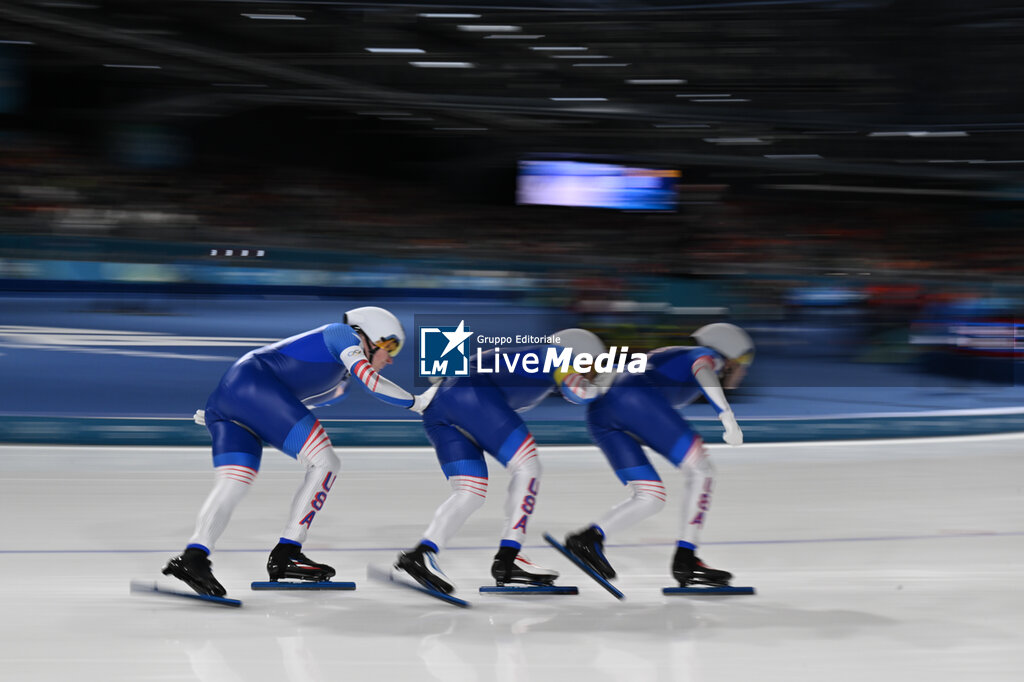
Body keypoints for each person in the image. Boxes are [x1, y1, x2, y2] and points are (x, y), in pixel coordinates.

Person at [163, 306, 434, 597]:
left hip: (232, 397)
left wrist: (230, 408)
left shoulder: (339, 382)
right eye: (390, 345)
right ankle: (287, 552)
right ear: (370, 335)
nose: (391, 357)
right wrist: (418, 402)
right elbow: (372, 382)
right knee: (325, 462)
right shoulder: (343, 334)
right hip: (252, 389)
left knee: (234, 481)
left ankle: (193, 558)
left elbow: (296, 404)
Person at [394, 328, 610, 594]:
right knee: (528, 466)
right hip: (472, 396)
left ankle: (422, 554)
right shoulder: (556, 355)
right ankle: (509, 557)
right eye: (593, 368)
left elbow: (448, 372)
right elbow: (578, 392)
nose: (592, 376)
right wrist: (606, 389)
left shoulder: (530, 357)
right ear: (578, 353)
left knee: (469, 493)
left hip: (439, 407)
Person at [560, 322, 754, 588]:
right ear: (729, 354)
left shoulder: (674, 355)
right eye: (744, 361)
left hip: (600, 413)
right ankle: (687, 560)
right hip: (633, 398)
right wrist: (726, 415)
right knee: (701, 470)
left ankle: (588, 539)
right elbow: (703, 370)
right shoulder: (705, 357)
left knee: (650, 496)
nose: (744, 369)